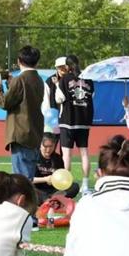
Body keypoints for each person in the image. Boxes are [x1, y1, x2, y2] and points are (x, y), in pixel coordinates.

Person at [0, 45, 45, 182]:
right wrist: (12, 83)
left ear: (19, 61)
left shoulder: (20, 79)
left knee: (21, 180)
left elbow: (4, 103)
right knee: (28, 177)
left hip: (21, 134)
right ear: (37, 62)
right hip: (34, 133)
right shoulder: (39, 79)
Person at [54, 55, 94, 195]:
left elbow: (60, 98)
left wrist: (56, 85)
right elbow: (92, 96)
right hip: (84, 120)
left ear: (67, 66)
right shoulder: (88, 79)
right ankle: (85, 185)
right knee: (84, 153)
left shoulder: (64, 79)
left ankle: (66, 186)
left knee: (66, 155)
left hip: (68, 120)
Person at [33, 132, 79, 202]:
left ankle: (53, 199)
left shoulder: (58, 158)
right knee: (28, 189)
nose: (48, 150)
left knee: (74, 186)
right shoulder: (33, 157)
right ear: (40, 145)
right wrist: (45, 179)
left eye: (51, 146)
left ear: (54, 145)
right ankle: (51, 200)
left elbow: (63, 178)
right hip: (39, 190)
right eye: (45, 146)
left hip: (55, 190)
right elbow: (28, 179)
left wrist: (57, 180)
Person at [42, 57, 68, 134]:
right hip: (53, 116)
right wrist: (47, 116)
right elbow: (46, 100)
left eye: (64, 66)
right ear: (56, 68)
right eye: (60, 66)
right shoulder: (49, 81)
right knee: (53, 138)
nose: (63, 69)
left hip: (68, 117)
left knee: (66, 140)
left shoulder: (72, 79)